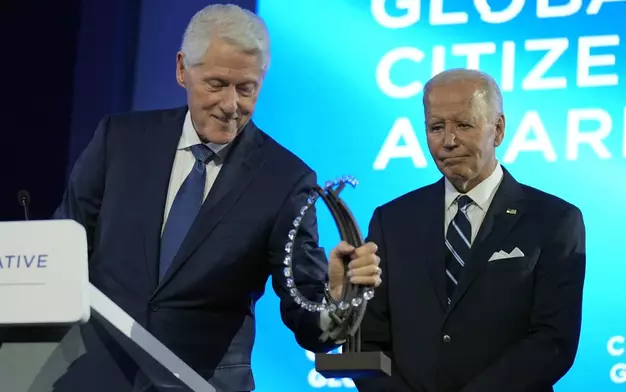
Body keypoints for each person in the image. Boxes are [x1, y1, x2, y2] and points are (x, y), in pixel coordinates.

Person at [50, 4, 381, 392]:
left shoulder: (286, 180)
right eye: (216, 84)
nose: (231, 105)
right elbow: (63, 251)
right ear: (181, 70)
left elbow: (309, 321)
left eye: (246, 89)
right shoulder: (119, 142)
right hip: (93, 379)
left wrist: (338, 296)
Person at [354, 69, 586, 392]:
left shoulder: (554, 220)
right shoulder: (391, 221)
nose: (449, 141)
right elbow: (364, 344)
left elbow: (553, 342)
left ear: (499, 129)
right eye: (437, 127)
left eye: (463, 125)